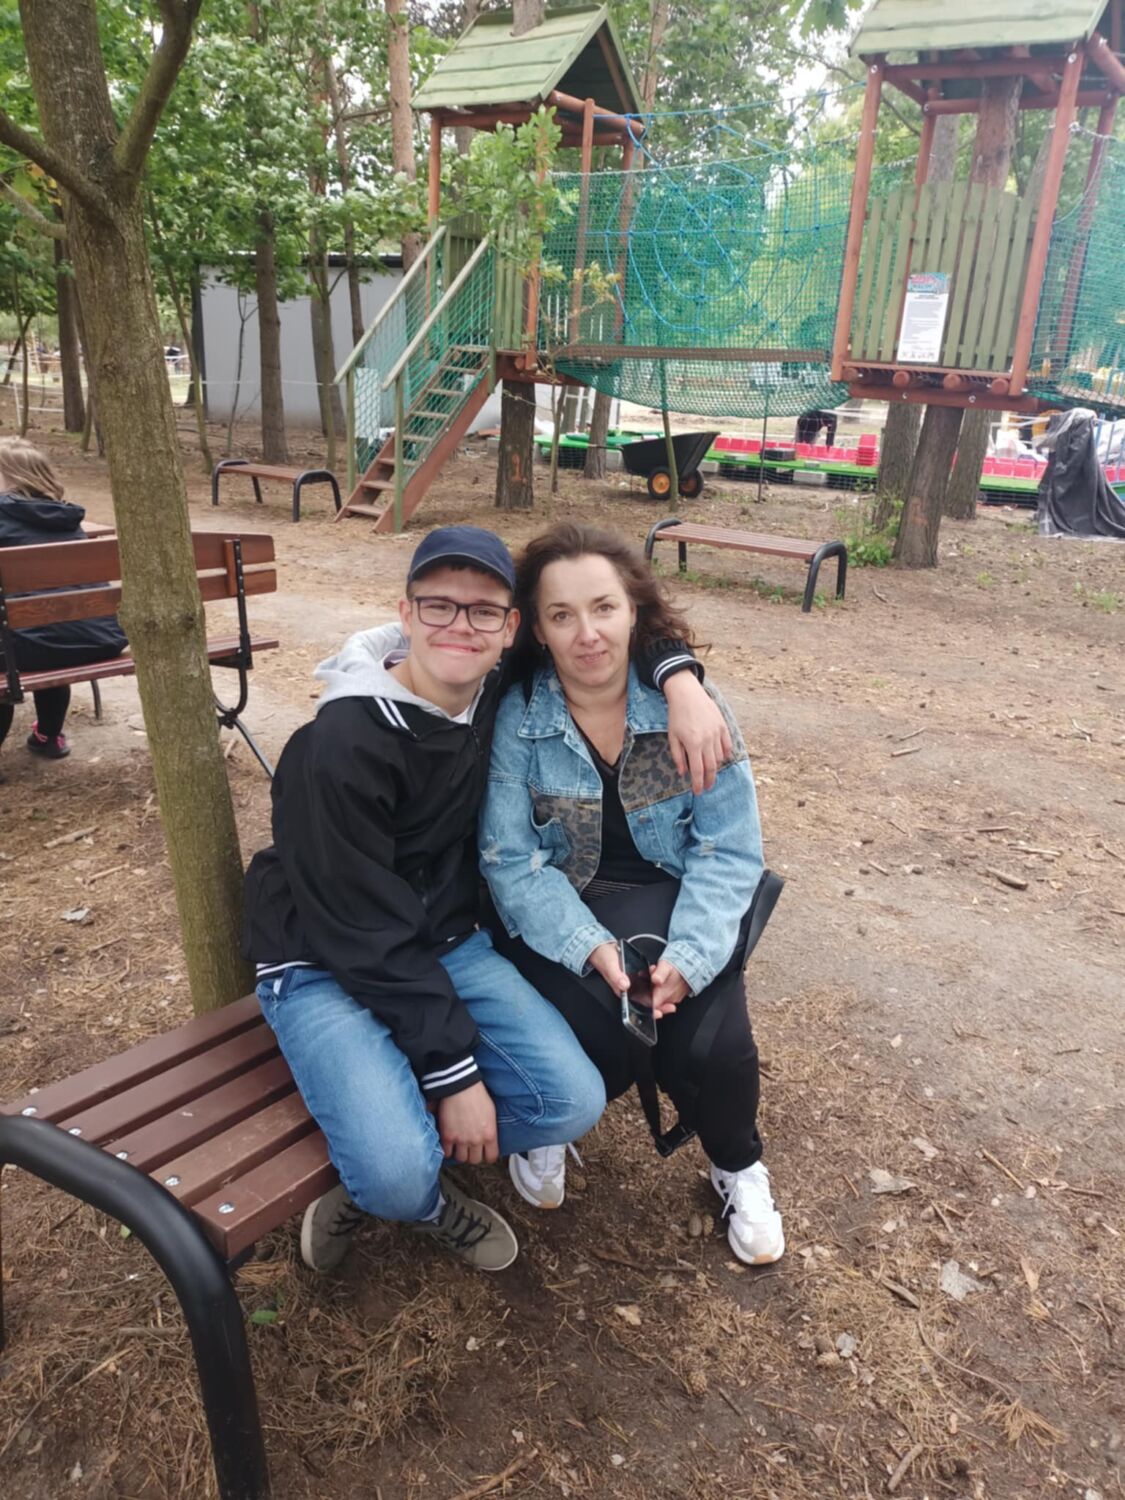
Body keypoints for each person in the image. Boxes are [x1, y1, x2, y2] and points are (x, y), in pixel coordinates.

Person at [241, 525, 728, 1274]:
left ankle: (389, 1148)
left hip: (439, 940)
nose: (459, 626)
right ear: (405, 614)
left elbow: (606, 625)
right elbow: (359, 928)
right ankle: (409, 1190)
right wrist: (455, 1074)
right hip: (320, 959)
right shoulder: (338, 746)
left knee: (570, 1103)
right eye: (439, 606)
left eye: (483, 611)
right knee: (396, 1173)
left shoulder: (495, 693)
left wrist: (681, 679)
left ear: (509, 630)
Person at [479, 523, 784, 1266]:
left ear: (633, 612)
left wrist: (693, 956)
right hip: (566, 908)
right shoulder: (519, 717)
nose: (586, 634)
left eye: (603, 608)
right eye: (561, 615)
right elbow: (510, 860)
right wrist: (587, 946)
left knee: (713, 1042)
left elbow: (728, 847)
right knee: (588, 1041)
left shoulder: (690, 708)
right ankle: (551, 1125)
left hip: (674, 898)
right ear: (536, 628)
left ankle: (737, 1164)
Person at [0, 439, 127, 781]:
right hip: (97, 638)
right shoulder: (67, 519)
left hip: (31, 649)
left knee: (13, 649)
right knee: (45, 628)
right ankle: (49, 735)